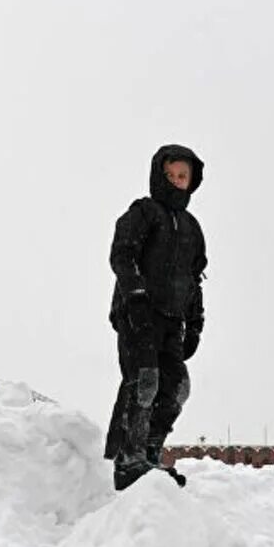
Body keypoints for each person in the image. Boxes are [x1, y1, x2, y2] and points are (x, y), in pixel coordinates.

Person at [103, 144, 207, 491]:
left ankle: (148, 451)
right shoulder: (144, 212)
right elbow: (122, 254)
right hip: (138, 314)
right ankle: (127, 459)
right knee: (143, 381)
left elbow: (195, 278)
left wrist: (195, 323)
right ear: (159, 177)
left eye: (184, 176)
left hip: (171, 321)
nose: (177, 181)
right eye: (172, 175)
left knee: (177, 388)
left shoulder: (192, 228)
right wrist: (134, 297)